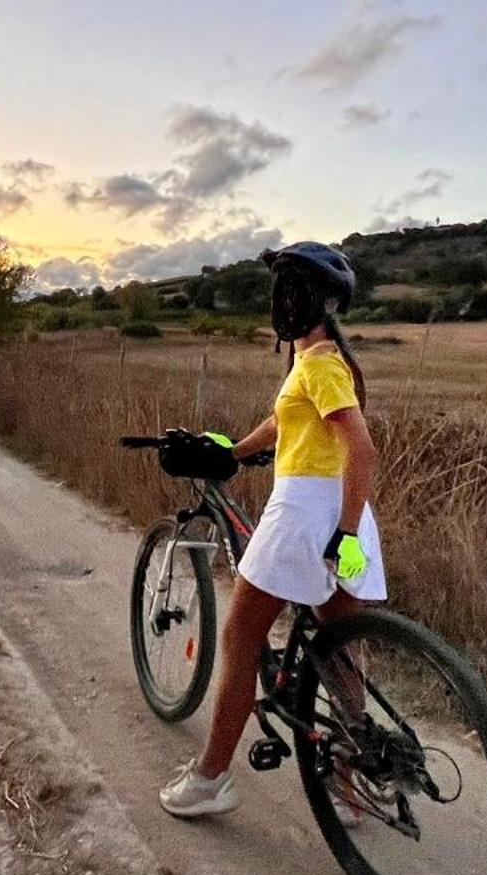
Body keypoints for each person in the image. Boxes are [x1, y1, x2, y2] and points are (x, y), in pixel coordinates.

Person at [158, 241, 384, 820]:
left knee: (239, 639)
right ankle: (349, 782)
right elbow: (285, 422)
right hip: (338, 514)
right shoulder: (317, 365)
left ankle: (210, 780)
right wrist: (234, 449)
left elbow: (361, 447)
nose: (285, 300)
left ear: (313, 300)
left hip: (310, 516)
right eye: (284, 288)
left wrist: (346, 535)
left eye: (293, 289)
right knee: (339, 655)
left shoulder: (321, 363)